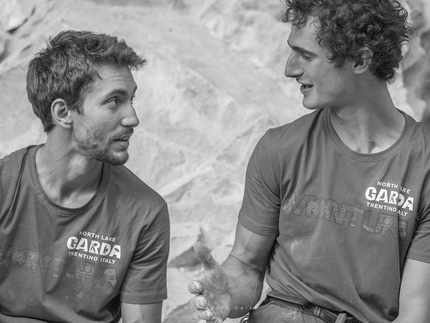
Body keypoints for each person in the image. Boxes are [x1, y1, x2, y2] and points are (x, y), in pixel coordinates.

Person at [188, 0, 430, 322]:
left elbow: (414, 314)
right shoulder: (279, 148)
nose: (290, 68)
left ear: (360, 60)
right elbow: (246, 266)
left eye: (306, 55)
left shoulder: (423, 165)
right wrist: (228, 295)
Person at [0, 30, 170, 323]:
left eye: (131, 99)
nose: (133, 118)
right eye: (114, 101)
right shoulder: (5, 187)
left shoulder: (145, 213)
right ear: (63, 112)